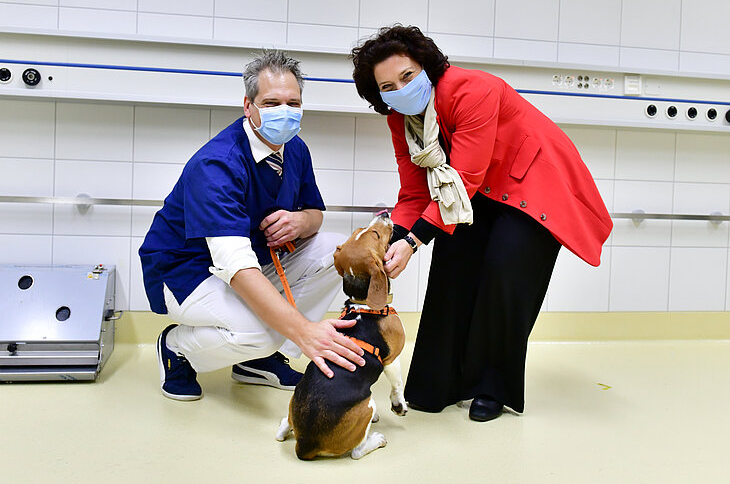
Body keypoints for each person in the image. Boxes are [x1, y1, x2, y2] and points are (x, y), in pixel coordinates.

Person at [350, 26, 612, 422]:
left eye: (407, 76)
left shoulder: (473, 89)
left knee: (506, 271)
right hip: (475, 193)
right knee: (452, 266)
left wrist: (415, 241)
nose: (400, 89)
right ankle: (439, 384)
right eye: (388, 86)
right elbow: (416, 193)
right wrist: (393, 238)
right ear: (379, 95)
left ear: (426, 66)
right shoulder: (401, 121)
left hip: (532, 185)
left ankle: (493, 387)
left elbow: (466, 178)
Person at [139, 49, 365, 401]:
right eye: (272, 103)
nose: (285, 112)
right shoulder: (217, 164)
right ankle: (177, 347)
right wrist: (305, 332)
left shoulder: (295, 149)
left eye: (294, 102)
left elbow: (316, 214)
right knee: (260, 332)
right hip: (186, 271)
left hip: (250, 263)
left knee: (336, 251)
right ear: (249, 106)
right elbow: (237, 266)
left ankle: (257, 361)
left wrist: (301, 220)